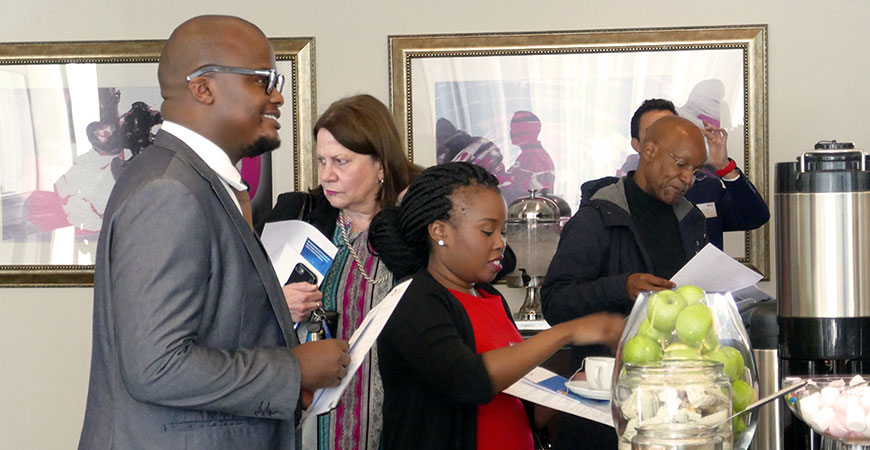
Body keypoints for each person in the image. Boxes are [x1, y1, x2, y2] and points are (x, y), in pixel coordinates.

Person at [78, 15, 349, 450]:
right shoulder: (169, 190)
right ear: (203, 88)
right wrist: (292, 369)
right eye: (265, 80)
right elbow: (156, 366)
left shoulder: (194, 181)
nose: (278, 96)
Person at [369, 162, 625, 450]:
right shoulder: (414, 300)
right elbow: (468, 380)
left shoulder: (490, 297)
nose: (501, 243)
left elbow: (519, 407)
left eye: (502, 232)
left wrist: (573, 389)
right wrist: (567, 333)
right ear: (440, 231)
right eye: (487, 231)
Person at [258, 94, 422, 450]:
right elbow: (240, 309)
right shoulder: (300, 214)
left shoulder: (418, 223)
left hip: (401, 417)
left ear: (381, 164)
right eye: (322, 161)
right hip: (312, 421)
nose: (327, 175)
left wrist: (419, 207)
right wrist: (275, 304)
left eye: (341, 162)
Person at [541, 115, 709, 450]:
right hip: (605, 407)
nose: (687, 178)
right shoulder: (596, 218)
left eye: (696, 170)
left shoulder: (692, 219)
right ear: (648, 151)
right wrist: (622, 286)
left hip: (677, 403)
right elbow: (555, 302)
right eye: (681, 164)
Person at [619, 98, 769, 248]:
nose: (666, 138)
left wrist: (723, 166)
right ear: (639, 146)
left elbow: (755, 217)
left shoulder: (705, 188)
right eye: (654, 131)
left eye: (671, 130)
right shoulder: (617, 199)